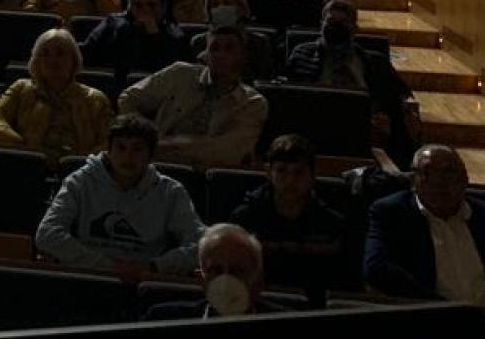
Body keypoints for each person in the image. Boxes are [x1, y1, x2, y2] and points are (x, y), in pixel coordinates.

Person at [36, 114, 203, 277]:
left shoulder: (171, 191)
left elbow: (203, 244)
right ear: (109, 150)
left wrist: (154, 267)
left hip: (144, 281)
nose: (128, 157)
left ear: (151, 155)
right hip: (90, 277)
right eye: (121, 147)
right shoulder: (81, 181)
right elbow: (47, 234)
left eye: (137, 149)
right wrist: (105, 266)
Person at [118, 25, 268, 168]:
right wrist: (146, 136)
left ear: (243, 55)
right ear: (205, 55)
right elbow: (128, 99)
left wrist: (162, 144)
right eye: (214, 48)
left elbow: (228, 153)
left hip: (203, 175)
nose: (221, 55)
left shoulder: (253, 103)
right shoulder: (179, 73)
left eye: (229, 48)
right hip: (154, 165)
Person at [285, 0, 416, 161]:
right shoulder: (302, 54)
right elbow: (290, 99)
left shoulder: (375, 63)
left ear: (355, 28)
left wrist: (385, 121)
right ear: (321, 24)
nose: (336, 27)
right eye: (331, 21)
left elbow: (397, 101)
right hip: (313, 135)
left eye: (343, 23)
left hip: (365, 136)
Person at [229, 135, 346, 302]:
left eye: (298, 173)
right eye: (281, 171)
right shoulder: (245, 218)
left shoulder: (331, 224)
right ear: (269, 173)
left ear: (312, 176)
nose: (290, 181)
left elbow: (339, 281)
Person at [364, 144, 484, 304]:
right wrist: (443, 307)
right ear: (413, 181)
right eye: (427, 173)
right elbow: (376, 269)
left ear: (465, 179)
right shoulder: (393, 213)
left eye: (449, 172)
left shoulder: (481, 214)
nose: (439, 181)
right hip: (432, 316)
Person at [0, 29, 114, 165]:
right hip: (29, 165)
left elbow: (110, 141)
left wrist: (81, 162)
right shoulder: (21, 88)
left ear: (74, 60)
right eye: (45, 53)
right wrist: (22, 147)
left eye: (60, 53)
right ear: (36, 61)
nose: (53, 60)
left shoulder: (96, 99)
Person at [144, 224, 279, 319]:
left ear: (259, 280)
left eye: (238, 271)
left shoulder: (290, 323)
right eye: (216, 271)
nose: (226, 282)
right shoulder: (164, 320)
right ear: (200, 279)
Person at [81, 0, 187, 82]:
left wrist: (154, 35)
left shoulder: (174, 33)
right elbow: (87, 54)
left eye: (152, 5)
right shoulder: (112, 24)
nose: (146, 10)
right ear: (129, 5)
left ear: (162, 6)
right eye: (138, 5)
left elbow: (172, 70)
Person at [191, 0, 276, 83]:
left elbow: (265, 80)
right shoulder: (199, 42)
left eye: (227, 3)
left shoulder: (259, 43)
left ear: (241, 8)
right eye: (215, 5)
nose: (221, 7)